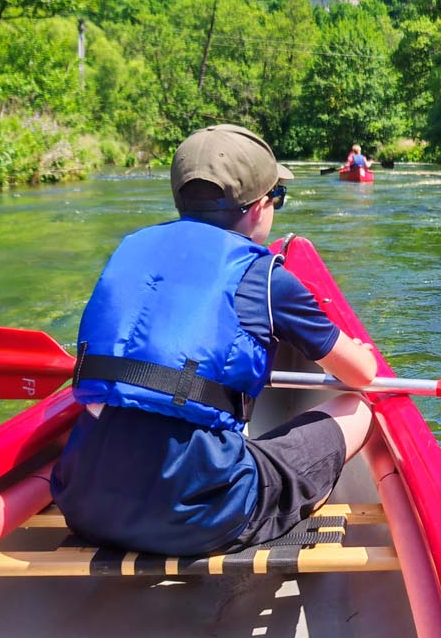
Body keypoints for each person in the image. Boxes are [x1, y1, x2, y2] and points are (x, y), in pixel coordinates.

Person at [50, 124, 378, 556]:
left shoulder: (132, 251)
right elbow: (361, 374)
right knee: (357, 409)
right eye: (278, 196)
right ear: (261, 206)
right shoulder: (266, 277)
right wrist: (361, 354)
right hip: (198, 516)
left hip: (84, 501)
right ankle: (293, 505)